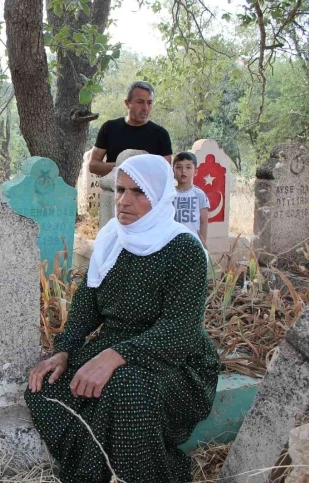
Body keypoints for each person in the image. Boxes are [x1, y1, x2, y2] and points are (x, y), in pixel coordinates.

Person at [25, 154, 220, 483]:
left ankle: (156, 473)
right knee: (43, 388)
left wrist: (116, 357)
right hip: (114, 346)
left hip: (173, 360)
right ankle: (97, 467)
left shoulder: (183, 248)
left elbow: (179, 331)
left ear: (159, 197)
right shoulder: (112, 238)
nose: (124, 201)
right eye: (120, 190)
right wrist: (66, 349)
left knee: (126, 387)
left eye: (138, 193)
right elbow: (89, 300)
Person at [88, 81, 172, 177]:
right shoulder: (109, 128)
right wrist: (123, 166)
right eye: (140, 102)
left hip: (148, 191)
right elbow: (93, 165)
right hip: (114, 190)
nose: (145, 108)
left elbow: (166, 171)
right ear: (127, 103)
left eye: (149, 102)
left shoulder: (161, 134)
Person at [173, 152, 209, 246]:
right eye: (179, 167)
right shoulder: (169, 194)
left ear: (195, 171)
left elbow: (204, 221)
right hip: (173, 242)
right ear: (173, 171)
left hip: (194, 243)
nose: (183, 171)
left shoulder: (199, 194)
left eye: (188, 167)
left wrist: (203, 244)